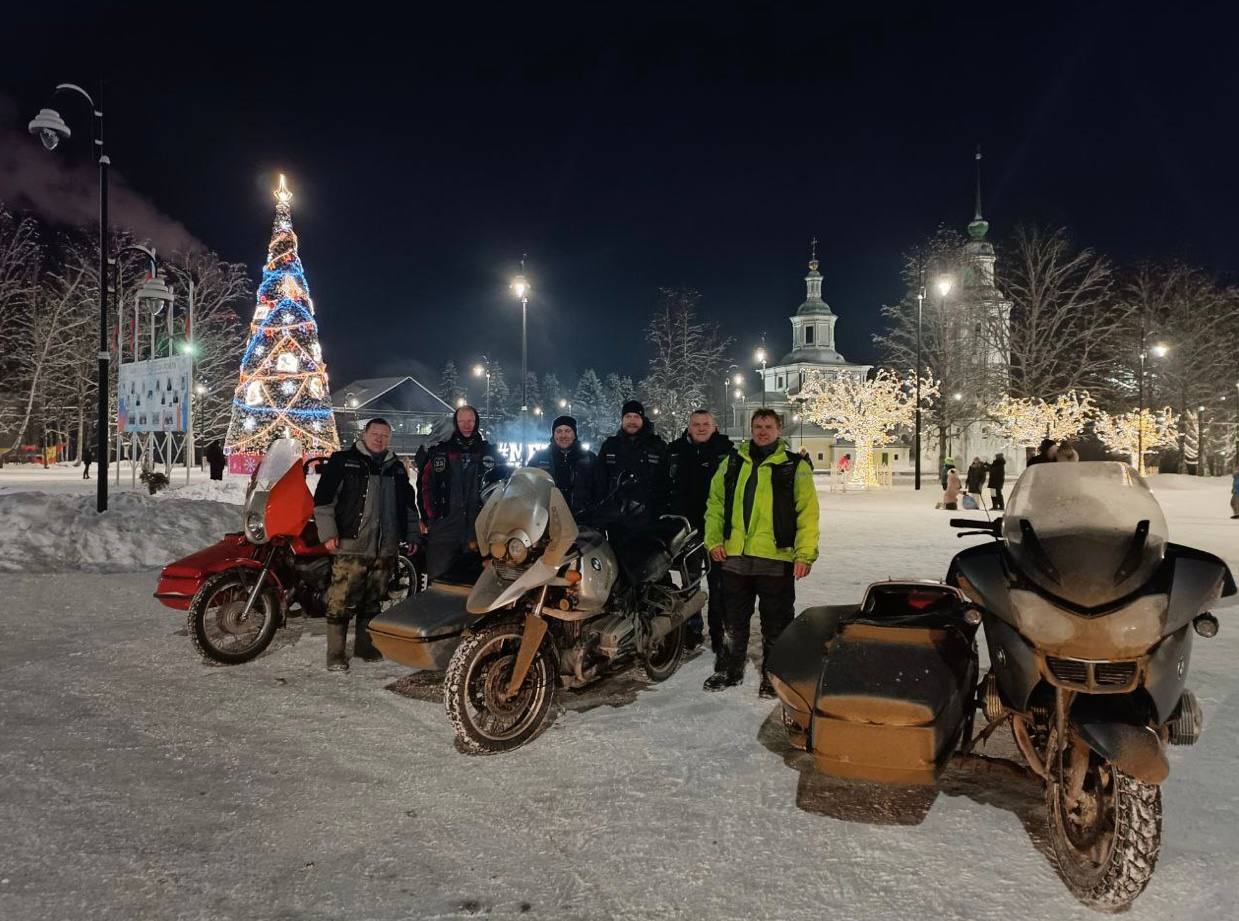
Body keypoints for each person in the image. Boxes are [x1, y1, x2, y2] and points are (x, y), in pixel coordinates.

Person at [703, 408, 819, 697]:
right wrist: (714, 541)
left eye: (768, 426)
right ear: (751, 429)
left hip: (775, 558)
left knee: (776, 622)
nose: (762, 431)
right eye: (757, 426)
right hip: (735, 557)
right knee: (733, 620)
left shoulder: (794, 466)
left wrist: (804, 554)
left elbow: (807, 513)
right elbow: (715, 504)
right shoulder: (732, 462)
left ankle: (773, 675)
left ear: (779, 430)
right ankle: (730, 669)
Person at [313, 418, 417, 671]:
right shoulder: (343, 461)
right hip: (352, 545)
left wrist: (413, 534)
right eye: (375, 434)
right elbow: (324, 500)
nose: (380, 439)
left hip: (385, 547)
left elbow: (408, 506)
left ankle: (365, 646)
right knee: (341, 599)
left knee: (373, 599)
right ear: (364, 434)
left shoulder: (396, 467)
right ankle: (336, 653)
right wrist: (328, 533)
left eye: (385, 435)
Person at [667, 409, 736, 660]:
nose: (701, 428)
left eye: (706, 423)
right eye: (696, 424)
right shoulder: (674, 452)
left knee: (720, 583)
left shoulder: (727, 451)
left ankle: (719, 632)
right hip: (686, 529)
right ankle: (692, 630)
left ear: (714, 426)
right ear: (689, 427)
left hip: (718, 529)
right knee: (690, 582)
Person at [418, 405, 505, 582]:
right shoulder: (439, 453)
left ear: (476, 422)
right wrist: (430, 516)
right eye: (462, 421)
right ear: (456, 423)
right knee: (440, 583)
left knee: (478, 584)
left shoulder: (491, 453)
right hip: (444, 531)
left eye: (470, 421)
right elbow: (425, 485)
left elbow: (504, 488)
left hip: (480, 531)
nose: (466, 425)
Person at [596, 400, 670, 531]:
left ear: (642, 419)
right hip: (614, 519)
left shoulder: (657, 446)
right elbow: (599, 480)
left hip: (649, 520)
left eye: (636, 417)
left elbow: (665, 481)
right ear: (622, 420)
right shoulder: (610, 446)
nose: (632, 421)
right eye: (628, 416)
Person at [528, 415, 598, 520]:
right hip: (547, 518)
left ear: (574, 434)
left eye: (567, 431)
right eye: (559, 431)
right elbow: (528, 484)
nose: (563, 435)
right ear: (553, 435)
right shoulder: (540, 457)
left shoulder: (589, 458)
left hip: (581, 519)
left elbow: (599, 488)